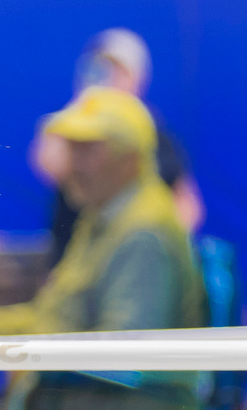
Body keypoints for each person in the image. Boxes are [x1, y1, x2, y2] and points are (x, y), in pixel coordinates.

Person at [0, 86, 203, 335]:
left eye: (87, 149)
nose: (74, 164)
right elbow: (46, 321)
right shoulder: (102, 217)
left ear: (129, 160)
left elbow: (124, 354)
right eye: (72, 148)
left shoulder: (143, 234)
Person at [35, 28, 203, 252]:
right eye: (100, 67)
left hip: (131, 256)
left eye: (119, 71)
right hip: (75, 257)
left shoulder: (157, 135)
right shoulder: (71, 127)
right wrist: (84, 102)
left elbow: (188, 204)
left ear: (137, 80)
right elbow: (48, 165)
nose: (109, 78)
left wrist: (161, 242)